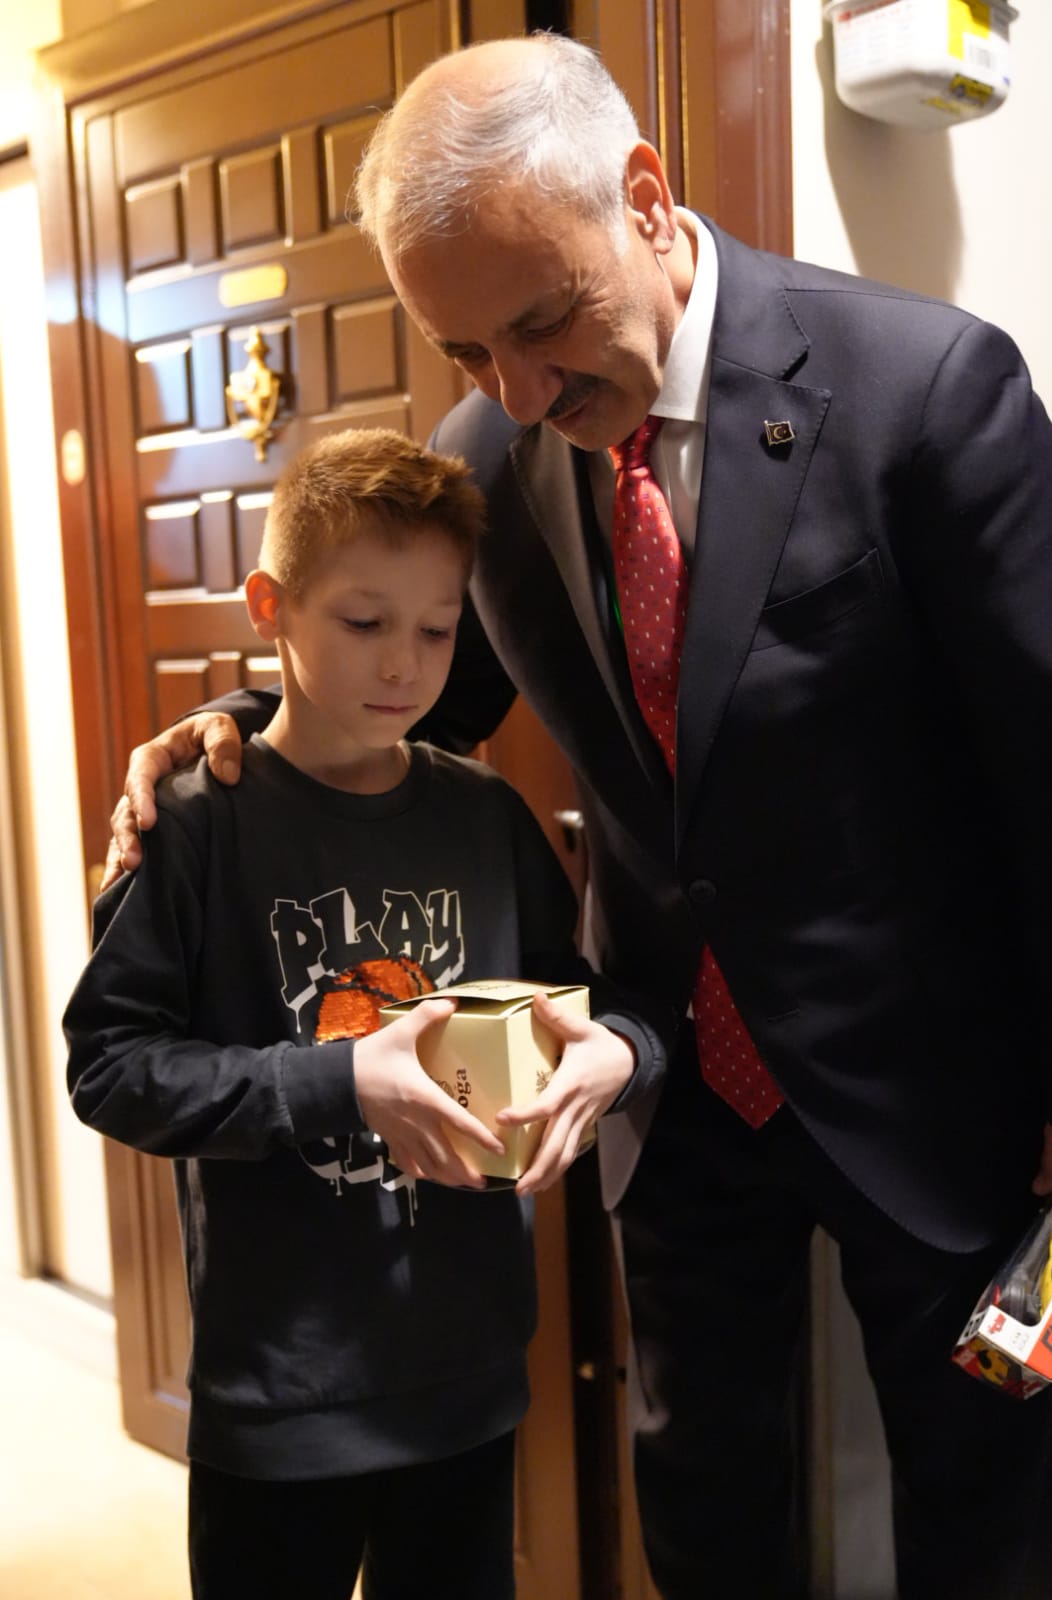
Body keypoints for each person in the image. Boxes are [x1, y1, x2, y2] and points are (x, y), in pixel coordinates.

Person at [104, 34, 1052, 1600]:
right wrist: (232, 728)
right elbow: (421, 698)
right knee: (700, 1496)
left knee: (986, 1501)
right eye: (467, 351)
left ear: (645, 197)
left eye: (542, 322)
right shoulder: (489, 453)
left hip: (938, 1084)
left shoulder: (926, 388)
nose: (519, 392)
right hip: (665, 1083)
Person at [66, 426, 666, 1600]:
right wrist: (339, 1082)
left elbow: (576, 998)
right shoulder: (193, 821)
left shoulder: (486, 816)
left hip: (466, 1376)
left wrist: (606, 1057)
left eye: (437, 631)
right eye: (362, 622)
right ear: (270, 607)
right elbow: (113, 1067)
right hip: (282, 1390)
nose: (404, 665)